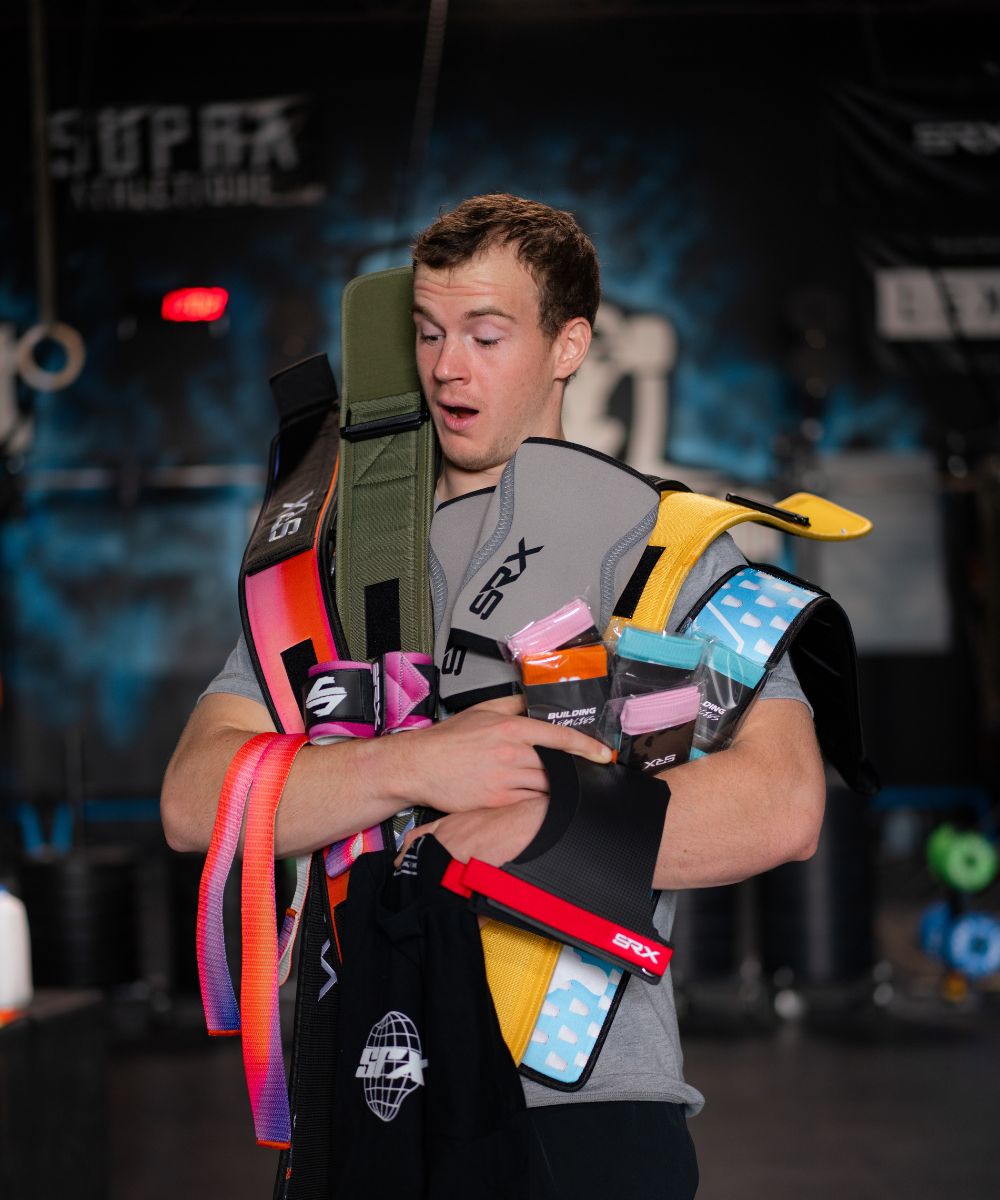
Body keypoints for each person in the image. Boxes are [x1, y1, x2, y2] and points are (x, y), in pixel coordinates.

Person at [162, 193, 824, 1198]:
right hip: (354, 1092)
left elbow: (781, 804)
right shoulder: (335, 575)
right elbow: (191, 799)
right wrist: (413, 765)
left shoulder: (657, 553)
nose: (446, 366)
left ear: (568, 346)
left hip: (576, 1108)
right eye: (427, 333)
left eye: (485, 333)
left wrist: (530, 828)